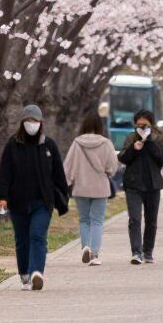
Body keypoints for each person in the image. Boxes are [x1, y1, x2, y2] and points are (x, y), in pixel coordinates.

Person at [0, 103, 69, 290]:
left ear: (40, 123)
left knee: (37, 234)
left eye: (35, 120)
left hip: (43, 202)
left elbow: (58, 174)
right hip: (18, 201)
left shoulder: (48, 145)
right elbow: (4, 173)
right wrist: (2, 197)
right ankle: (25, 274)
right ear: (22, 122)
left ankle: (37, 271)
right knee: (22, 239)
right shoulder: (13, 145)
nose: (32, 124)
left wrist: (62, 198)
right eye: (28, 120)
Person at [63, 110, 119, 265]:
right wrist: (107, 171)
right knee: (97, 221)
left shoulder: (77, 143)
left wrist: (68, 182)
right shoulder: (106, 143)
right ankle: (94, 254)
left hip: (80, 187)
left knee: (84, 220)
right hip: (100, 188)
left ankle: (85, 247)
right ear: (99, 125)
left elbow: (67, 166)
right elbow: (112, 167)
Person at [119, 109, 163, 263]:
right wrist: (133, 149)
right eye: (139, 125)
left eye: (145, 125)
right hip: (133, 185)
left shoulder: (158, 138)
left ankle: (148, 251)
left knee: (151, 221)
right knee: (134, 219)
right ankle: (136, 251)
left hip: (153, 185)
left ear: (151, 125)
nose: (141, 128)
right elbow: (123, 158)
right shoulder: (131, 138)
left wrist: (149, 143)